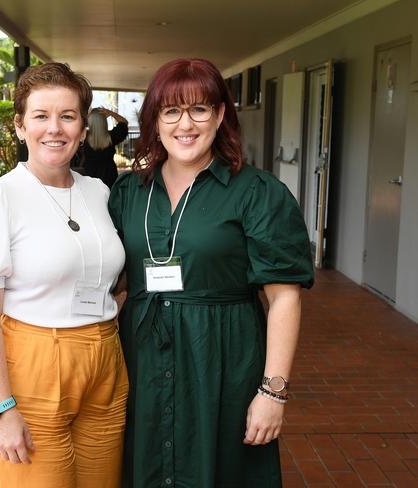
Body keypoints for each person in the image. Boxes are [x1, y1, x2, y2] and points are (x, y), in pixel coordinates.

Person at [108, 58, 314, 487]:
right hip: (141, 362)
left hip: (223, 361)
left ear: (220, 115)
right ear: (155, 121)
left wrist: (273, 392)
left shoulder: (257, 193)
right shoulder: (128, 192)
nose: (186, 124)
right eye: (171, 111)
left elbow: (284, 297)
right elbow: (112, 277)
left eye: (199, 109)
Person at [0, 62, 128, 488]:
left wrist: (112, 303)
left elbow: (113, 271)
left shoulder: (98, 193)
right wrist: (1, 409)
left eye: (67, 116)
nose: (55, 129)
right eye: (41, 116)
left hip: (104, 363)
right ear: (19, 126)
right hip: (32, 367)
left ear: (84, 129)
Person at [80, 107, 128, 188]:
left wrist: (87, 117)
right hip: (109, 176)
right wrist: (111, 113)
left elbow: (75, 125)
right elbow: (124, 122)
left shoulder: (83, 137)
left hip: (89, 176)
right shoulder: (112, 137)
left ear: (90, 121)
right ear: (104, 121)